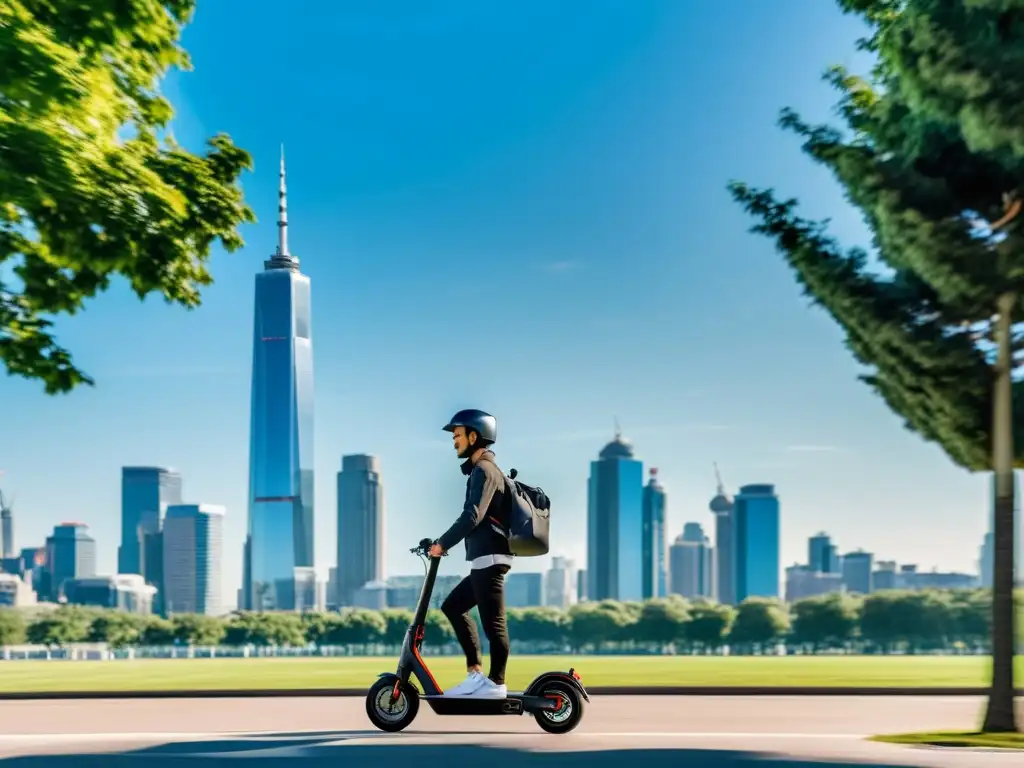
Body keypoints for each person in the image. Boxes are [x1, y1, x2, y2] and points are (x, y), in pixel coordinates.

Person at [429, 408, 513, 699]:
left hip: (490, 558)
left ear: (474, 436)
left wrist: (442, 544)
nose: (454, 441)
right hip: (485, 559)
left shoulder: (485, 471)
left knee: (494, 624)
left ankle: (496, 684)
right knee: (453, 606)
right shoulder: (483, 470)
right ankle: (476, 675)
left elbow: (472, 516)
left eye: (458, 435)